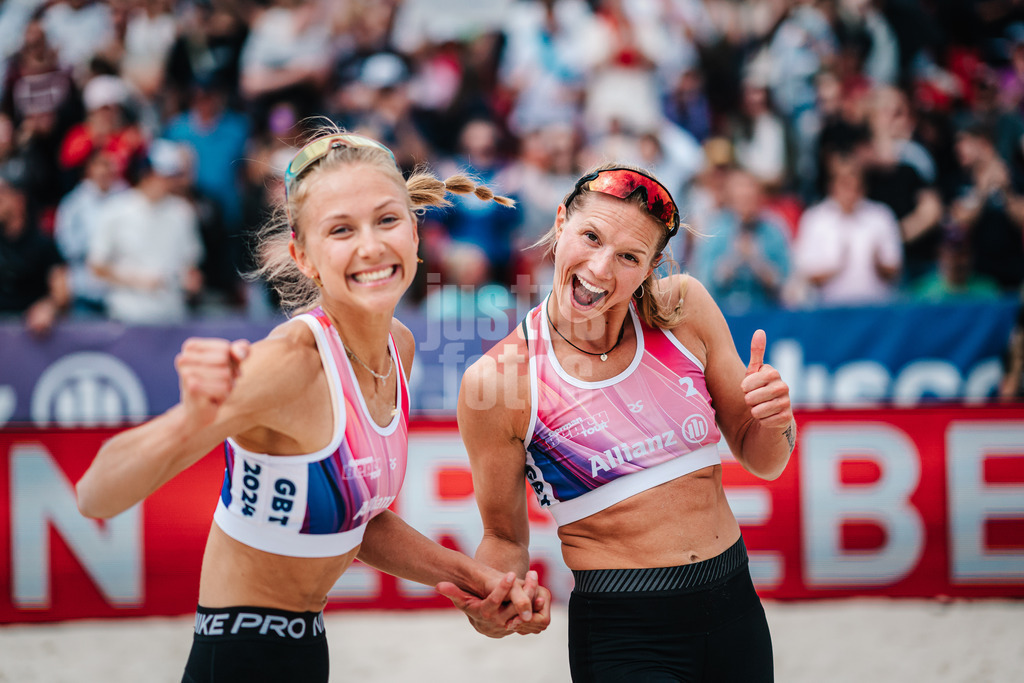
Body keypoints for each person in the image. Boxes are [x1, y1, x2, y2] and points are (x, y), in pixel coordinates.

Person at [76, 130, 550, 682]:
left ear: (416, 233)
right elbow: (94, 495)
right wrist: (193, 417)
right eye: (342, 230)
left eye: (387, 220)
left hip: (304, 646)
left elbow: (358, 523)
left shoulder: (398, 345)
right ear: (303, 255)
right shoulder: (292, 362)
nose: (370, 246)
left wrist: (479, 581)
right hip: (238, 653)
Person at [457, 163, 795, 680]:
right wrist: (495, 598)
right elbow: (504, 537)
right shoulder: (498, 381)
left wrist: (775, 420)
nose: (599, 269)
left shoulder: (685, 309)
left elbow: (764, 459)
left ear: (652, 265)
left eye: (629, 257)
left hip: (736, 609)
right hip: (624, 633)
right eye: (590, 236)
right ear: (560, 221)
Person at [87, 139, 204, 324]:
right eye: (164, 176)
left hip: (171, 315)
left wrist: (190, 280)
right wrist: (138, 280)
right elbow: (97, 265)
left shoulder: (182, 212)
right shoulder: (116, 210)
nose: (170, 182)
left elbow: (190, 262)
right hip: (127, 314)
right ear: (147, 175)